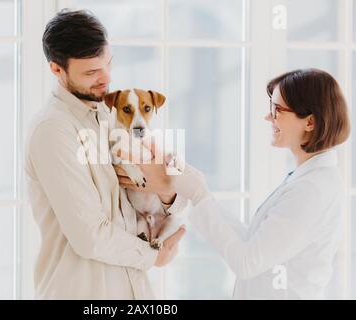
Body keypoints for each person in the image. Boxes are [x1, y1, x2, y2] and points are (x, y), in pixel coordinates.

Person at [117, 68, 351, 299]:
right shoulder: (306, 179)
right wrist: (190, 192)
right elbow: (250, 240)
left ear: (309, 122)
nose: (268, 117)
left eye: (277, 110)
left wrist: (199, 194)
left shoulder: (312, 190)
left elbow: (248, 261)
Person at [24, 9, 186, 299]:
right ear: (56, 69)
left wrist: (164, 192)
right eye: (91, 72)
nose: (106, 79)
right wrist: (153, 257)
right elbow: (89, 236)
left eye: (108, 64)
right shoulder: (53, 131)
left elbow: (173, 186)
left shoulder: (110, 115)